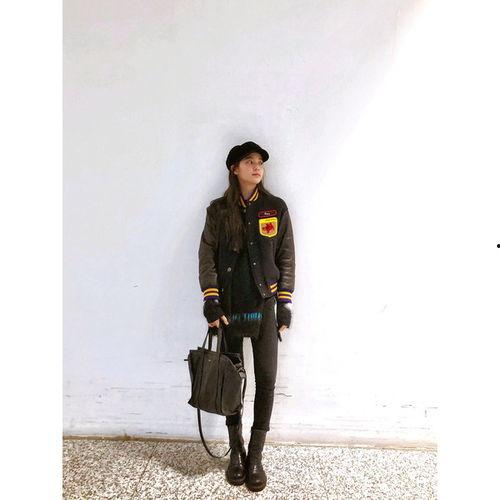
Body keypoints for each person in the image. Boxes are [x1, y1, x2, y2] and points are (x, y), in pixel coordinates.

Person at [198, 141, 296, 492]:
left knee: (266, 379)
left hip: (265, 306)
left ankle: (255, 454)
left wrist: (285, 303)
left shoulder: (275, 208)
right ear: (234, 169)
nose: (257, 167)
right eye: (249, 161)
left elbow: (286, 256)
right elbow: (207, 256)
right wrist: (211, 300)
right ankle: (236, 451)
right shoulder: (218, 210)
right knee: (231, 381)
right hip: (228, 310)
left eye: (260, 162)